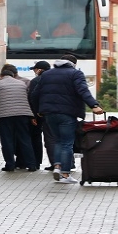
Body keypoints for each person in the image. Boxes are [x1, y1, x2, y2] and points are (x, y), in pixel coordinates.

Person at [30, 54, 103, 184]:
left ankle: (57, 166)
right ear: (73, 64)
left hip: (49, 114)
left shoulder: (47, 74)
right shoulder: (75, 74)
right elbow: (83, 91)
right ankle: (65, 174)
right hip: (67, 114)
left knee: (57, 140)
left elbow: (35, 94)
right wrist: (94, 105)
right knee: (67, 143)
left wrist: (38, 112)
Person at [0, 69, 36, 172]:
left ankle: (10, 165)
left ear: (1, 76)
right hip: (23, 114)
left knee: (7, 140)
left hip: (4, 116)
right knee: (25, 139)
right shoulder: (22, 84)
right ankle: (31, 165)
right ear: (13, 76)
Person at [27, 61, 56, 170]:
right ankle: (63, 163)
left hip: (40, 113)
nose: (34, 71)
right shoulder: (56, 79)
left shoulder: (36, 81)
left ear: (39, 70)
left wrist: (34, 115)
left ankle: (37, 162)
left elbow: (32, 97)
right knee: (59, 138)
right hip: (56, 112)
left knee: (38, 137)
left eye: (35, 69)